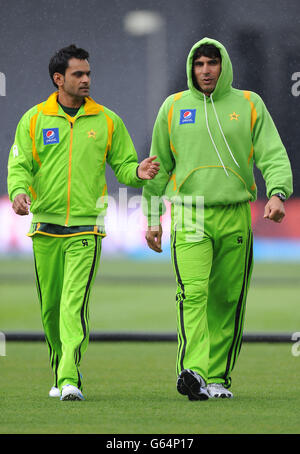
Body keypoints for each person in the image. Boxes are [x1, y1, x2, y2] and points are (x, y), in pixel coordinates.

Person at [142, 37, 293, 400]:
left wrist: (277, 193)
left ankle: (219, 379)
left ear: (223, 65)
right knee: (192, 293)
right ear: (191, 69)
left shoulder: (250, 104)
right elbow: (156, 166)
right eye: (199, 65)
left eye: (212, 63)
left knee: (227, 298)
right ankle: (194, 371)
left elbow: (273, 154)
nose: (205, 71)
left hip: (236, 213)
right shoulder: (174, 106)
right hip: (189, 212)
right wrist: (151, 216)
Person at [7, 44, 159, 401]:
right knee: (50, 309)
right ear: (59, 79)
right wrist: (17, 192)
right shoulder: (33, 119)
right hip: (44, 227)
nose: (87, 79)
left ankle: (70, 377)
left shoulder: (107, 120)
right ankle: (60, 373)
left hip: (86, 228)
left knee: (72, 306)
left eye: (88, 73)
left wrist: (137, 171)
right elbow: (20, 166)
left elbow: (124, 166)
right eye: (78, 74)